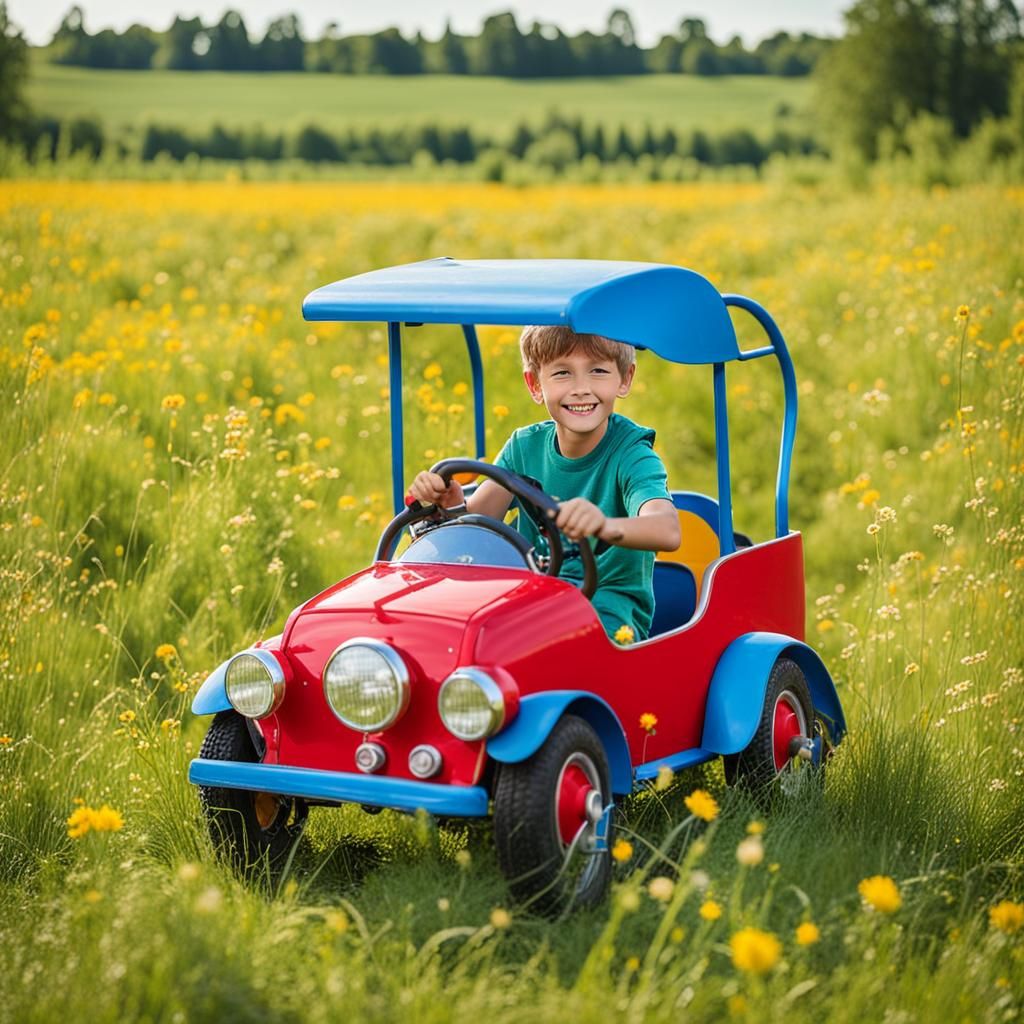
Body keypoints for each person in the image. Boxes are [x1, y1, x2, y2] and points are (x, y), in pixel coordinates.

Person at [407, 325, 681, 641]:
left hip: (607, 608)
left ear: (625, 378)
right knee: (463, 635)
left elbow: (667, 530)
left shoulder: (632, 454)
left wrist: (604, 525)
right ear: (535, 384)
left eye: (598, 371)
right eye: (562, 373)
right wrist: (451, 503)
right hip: (532, 594)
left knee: (557, 644)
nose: (581, 388)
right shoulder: (525, 447)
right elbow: (480, 527)